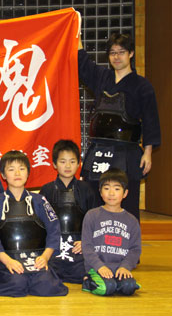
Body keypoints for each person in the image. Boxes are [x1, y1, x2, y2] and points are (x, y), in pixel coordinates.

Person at [78, 32, 160, 222]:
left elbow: (150, 120)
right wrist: (76, 34)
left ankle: (128, 248)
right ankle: (94, 245)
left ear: (131, 54)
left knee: (127, 202)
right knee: (93, 198)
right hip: (99, 149)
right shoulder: (102, 77)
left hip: (127, 151)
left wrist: (147, 152)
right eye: (112, 53)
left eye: (121, 52)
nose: (116, 57)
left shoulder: (142, 86)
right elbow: (83, 64)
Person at [0, 150, 68, 297]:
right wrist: (8, 261)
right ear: (3, 175)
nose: (17, 173)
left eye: (22, 168)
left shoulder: (40, 201)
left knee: (46, 287)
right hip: (8, 259)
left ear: (28, 173)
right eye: (11, 169)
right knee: (16, 284)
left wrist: (45, 257)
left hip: (36, 258)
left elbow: (54, 230)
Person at [40, 140, 97, 283]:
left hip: (78, 245)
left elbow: (95, 222)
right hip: (53, 246)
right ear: (54, 164)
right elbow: (40, 223)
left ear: (79, 164)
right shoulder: (46, 190)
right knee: (43, 273)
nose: (67, 166)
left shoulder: (86, 189)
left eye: (72, 161)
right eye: (63, 161)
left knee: (87, 271)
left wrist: (85, 241)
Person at [81, 168, 141, 296]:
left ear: (125, 193)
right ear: (100, 192)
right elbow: (86, 246)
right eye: (107, 188)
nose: (111, 193)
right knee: (107, 288)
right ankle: (89, 281)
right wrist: (99, 266)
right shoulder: (92, 215)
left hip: (119, 268)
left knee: (129, 287)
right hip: (97, 268)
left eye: (117, 189)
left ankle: (117, 283)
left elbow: (135, 249)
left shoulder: (132, 220)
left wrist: (125, 266)